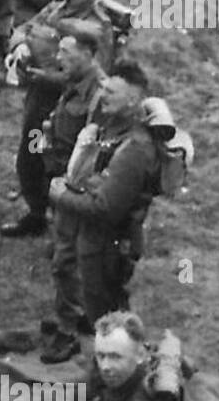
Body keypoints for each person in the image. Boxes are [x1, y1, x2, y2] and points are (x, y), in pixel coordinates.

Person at [0, 0, 118, 238]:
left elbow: (94, 79)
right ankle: (37, 213)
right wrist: (20, 46)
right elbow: (22, 28)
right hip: (39, 104)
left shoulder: (97, 27)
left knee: (63, 166)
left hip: (70, 111)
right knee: (30, 156)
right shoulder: (55, 7)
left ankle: (67, 229)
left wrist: (48, 77)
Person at [49, 60, 161, 329]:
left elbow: (105, 208)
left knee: (104, 312)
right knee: (93, 308)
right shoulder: (113, 128)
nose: (103, 96)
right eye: (104, 89)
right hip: (93, 241)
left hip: (107, 248)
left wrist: (61, 196)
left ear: (133, 100)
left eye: (112, 93)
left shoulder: (134, 149)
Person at [40, 26, 107, 363]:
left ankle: (67, 333)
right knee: (68, 255)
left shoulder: (100, 95)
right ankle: (80, 311)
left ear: (87, 53)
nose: (58, 57)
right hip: (61, 178)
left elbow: (95, 153)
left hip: (77, 186)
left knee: (65, 260)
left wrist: (69, 188)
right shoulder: (75, 83)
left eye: (66, 51)